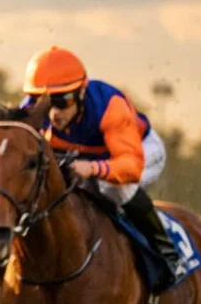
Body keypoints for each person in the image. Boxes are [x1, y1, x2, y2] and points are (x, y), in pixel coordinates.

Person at [20, 45, 184, 290]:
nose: (53, 113)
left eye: (62, 101)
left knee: (115, 188)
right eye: (44, 103)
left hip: (139, 151)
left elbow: (131, 165)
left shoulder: (110, 106)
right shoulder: (31, 111)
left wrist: (95, 168)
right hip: (84, 155)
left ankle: (168, 254)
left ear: (81, 92)